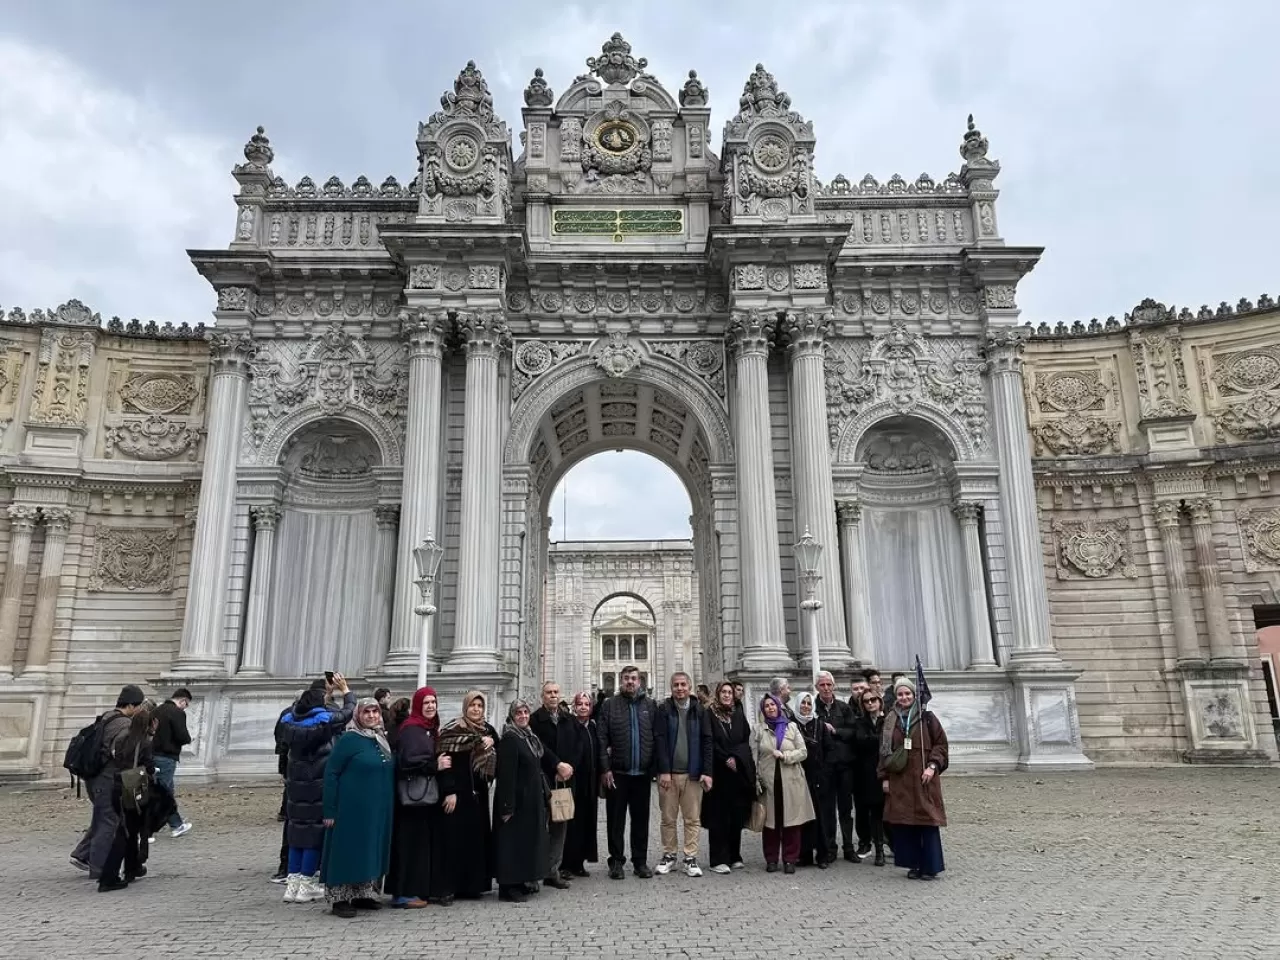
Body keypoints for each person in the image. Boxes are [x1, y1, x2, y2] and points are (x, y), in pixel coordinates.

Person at [278, 673, 356, 904]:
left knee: (296, 833)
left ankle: (292, 885)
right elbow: (347, 712)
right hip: (317, 783)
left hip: (296, 786)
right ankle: (307, 885)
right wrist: (346, 690)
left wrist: (326, 694)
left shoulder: (290, 722)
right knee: (313, 835)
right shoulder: (322, 722)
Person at [320, 698, 395, 918]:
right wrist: (329, 809)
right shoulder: (349, 740)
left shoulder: (380, 738)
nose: (371, 716)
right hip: (350, 808)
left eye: (375, 711)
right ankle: (340, 898)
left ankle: (363, 893)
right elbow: (331, 773)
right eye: (366, 712)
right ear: (358, 715)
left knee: (369, 848)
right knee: (347, 850)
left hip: (376, 808)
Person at [70, 684, 147, 878]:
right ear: (131, 705)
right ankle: (99, 869)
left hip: (94, 778)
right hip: (107, 779)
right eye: (139, 706)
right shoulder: (124, 725)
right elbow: (120, 755)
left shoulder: (106, 717)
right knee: (108, 822)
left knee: (105, 818)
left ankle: (82, 855)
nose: (139, 709)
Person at [386, 686, 452, 908]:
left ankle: (418, 889)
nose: (431, 706)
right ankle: (404, 892)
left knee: (420, 845)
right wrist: (435, 765)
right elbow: (408, 762)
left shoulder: (428, 728)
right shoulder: (412, 729)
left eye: (433, 702)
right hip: (412, 800)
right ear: (417, 705)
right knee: (409, 845)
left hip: (424, 799)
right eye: (426, 703)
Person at [878, 677, 949, 880]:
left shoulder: (927, 717)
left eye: (907, 693)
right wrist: (884, 777)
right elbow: (883, 751)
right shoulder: (890, 720)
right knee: (906, 822)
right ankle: (914, 864)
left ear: (914, 694)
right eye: (900, 694)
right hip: (900, 779)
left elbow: (941, 744)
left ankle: (931, 866)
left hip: (923, 778)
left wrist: (933, 766)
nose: (904, 697)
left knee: (927, 821)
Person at [597, 664, 657, 879]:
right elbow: (602, 738)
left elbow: (656, 737)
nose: (630, 681)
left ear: (639, 681)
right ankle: (616, 861)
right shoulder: (609, 705)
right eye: (626, 678)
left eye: (633, 678)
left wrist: (654, 768)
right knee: (616, 821)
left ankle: (640, 861)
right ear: (621, 680)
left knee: (641, 820)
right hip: (617, 774)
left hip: (642, 774)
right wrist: (605, 768)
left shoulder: (650, 705)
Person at [437, 691, 498, 899]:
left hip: (478, 793)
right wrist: (449, 791)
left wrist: (492, 740)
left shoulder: (487, 730)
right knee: (454, 839)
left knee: (476, 840)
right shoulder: (453, 729)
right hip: (458, 792)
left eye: (480, 706)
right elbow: (445, 762)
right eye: (472, 705)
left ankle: (474, 886)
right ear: (465, 707)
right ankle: (450, 886)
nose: (476, 709)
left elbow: (498, 746)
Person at [653, 671, 714, 877]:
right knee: (668, 818)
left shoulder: (700, 711)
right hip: (669, 775)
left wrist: (707, 772)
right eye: (676, 685)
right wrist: (664, 770)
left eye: (683, 685)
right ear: (671, 688)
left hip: (693, 774)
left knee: (692, 818)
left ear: (690, 687)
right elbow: (659, 740)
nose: (679, 688)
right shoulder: (663, 710)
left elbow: (707, 741)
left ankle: (690, 857)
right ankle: (669, 855)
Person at [494, 700, 552, 903]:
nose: (523, 716)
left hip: (528, 800)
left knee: (523, 843)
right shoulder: (510, 738)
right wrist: (507, 806)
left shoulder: (528, 736)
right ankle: (507, 886)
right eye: (518, 713)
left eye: (526, 712)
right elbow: (506, 775)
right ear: (512, 716)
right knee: (511, 844)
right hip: (515, 802)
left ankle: (519, 881)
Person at [96, 705, 155, 892]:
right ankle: (108, 877)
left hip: (118, 784)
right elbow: (149, 766)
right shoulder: (144, 743)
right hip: (133, 786)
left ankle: (132, 867)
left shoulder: (122, 738)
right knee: (125, 833)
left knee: (129, 829)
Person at [754, 693, 813, 874]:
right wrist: (755, 778)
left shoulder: (791, 727)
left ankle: (790, 859)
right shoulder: (759, 729)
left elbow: (803, 752)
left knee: (791, 822)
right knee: (770, 823)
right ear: (763, 710)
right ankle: (771, 859)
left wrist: (786, 756)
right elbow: (753, 756)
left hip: (791, 782)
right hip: (768, 783)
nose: (770, 708)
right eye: (766, 706)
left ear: (778, 707)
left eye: (773, 705)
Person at [703, 680, 754, 874]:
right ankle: (718, 859)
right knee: (719, 817)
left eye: (729, 692)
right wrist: (725, 758)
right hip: (719, 771)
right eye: (723, 692)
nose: (726, 695)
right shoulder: (709, 714)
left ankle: (734, 855)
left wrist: (735, 757)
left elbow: (744, 739)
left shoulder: (738, 713)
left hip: (737, 771)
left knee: (736, 814)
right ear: (717, 694)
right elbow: (709, 741)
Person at [529, 681, 577, 889]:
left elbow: (577, 745)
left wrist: (569, 766)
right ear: (542, 696)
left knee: (560, 825)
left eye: (556, 692)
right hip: (543, 778)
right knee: (539, 826)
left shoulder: (568, 719)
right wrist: (557, 764)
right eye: (549, 692)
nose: (553, 695)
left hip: (563, 780)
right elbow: (538, 746)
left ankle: (552, 870)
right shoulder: (534, 720)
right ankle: (533, 872)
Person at [560, 691, 600, 878]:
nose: (583, 707)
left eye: (587, 704)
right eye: (580, 704)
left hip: (589, 783)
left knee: (586, 823)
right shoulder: (569, 726)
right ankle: (565, 864)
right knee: (571, 824)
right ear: (574, 707)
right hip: (574, 781)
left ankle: (579, 862)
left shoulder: (593, 727)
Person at [150, 688, 193, 839]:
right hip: (167, 757)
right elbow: (182, 735)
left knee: (164, 791)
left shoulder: (156, 710)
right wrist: (188, 739)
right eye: (186, 704)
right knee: (163, 793)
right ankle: (150, 828)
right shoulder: (177, 713)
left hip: (152, 755)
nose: (185, 707)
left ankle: (176, 824)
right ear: (182, 700)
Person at [852, 686, 888, 866]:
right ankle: (871, 846)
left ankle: (884, 847)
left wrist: (874, 739)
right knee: (867, 812)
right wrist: (879, 739)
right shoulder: (860, 722)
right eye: (866, 701)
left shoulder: (888, 720)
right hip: (864, 774)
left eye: (873, 699)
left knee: (881, 813)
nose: (870, 703)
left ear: (879, 701)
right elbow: (861, 742)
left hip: (885, 771)